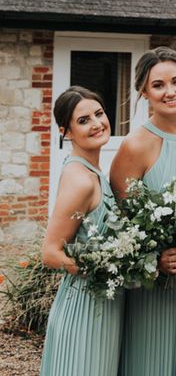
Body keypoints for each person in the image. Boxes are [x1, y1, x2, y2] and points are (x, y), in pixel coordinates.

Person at [109, 46, 176, 376]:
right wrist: (156, 260)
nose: (170, 92)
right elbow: (123, 225)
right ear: (144, 92)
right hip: (159, 283)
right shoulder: (135, 146)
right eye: (159, 85)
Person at [40, 86, 123, 375]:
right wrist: (100, 268)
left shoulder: (95, 172)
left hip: (105, 305)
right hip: (84, 308)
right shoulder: (81, 180)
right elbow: (50, 253)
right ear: (67, 132)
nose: (97, 123)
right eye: (84, 120)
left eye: (99, 114)